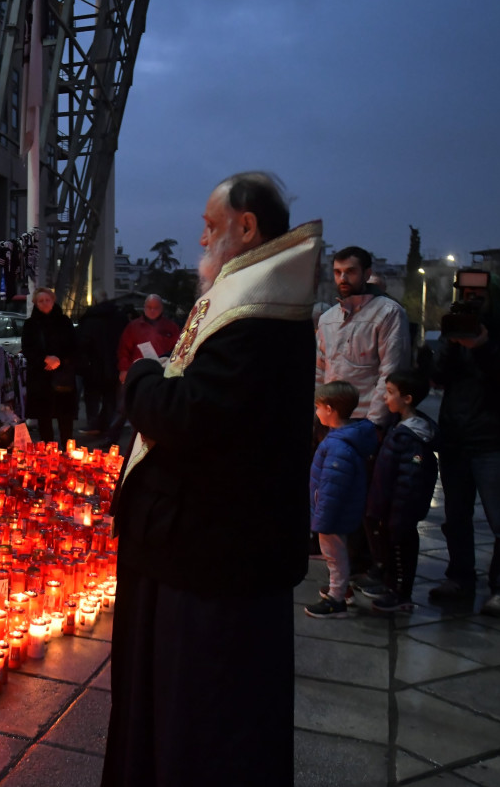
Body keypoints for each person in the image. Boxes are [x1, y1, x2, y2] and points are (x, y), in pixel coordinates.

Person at [102, 171, 319, 786]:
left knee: (201, 719)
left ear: (246, 225)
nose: (200, 236)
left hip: (210, 556)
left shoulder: (258, 316)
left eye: (210, 224)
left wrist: (142, 379)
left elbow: (187, 414)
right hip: (199, 546)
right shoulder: (251, 306)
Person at [424, 268, 500, 617]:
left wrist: (482, 347)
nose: (472, 300)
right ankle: (460, 578)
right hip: (456, 436)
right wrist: (452, 345)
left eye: (478, 294)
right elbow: (438, 376)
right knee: (455, 517)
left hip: (495, 438)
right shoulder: (454, 327)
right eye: (465, 294)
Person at [365, 370, 440, 614]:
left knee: (400, 552)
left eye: (390, 393)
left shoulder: (412, 437)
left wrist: (398, 511)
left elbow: (410, 478)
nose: (385, 399)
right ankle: (390, 587)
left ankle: (400, 593)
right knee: (390, 549)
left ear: (407, 398)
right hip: (389, 507)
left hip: (400, 510)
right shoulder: (399, 428)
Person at [305, 382, 380, 619]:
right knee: (338, 554)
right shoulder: (344, 437)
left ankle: (336, 599)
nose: (316, 413)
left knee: (334, 555)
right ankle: (342, 588)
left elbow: (332, 488)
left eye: (318, 408)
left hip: (332, 514)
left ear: (330, 409)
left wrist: (321, 519)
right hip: (336, 512)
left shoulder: (338, 446)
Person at [316, 246, 411, 429]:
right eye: (337, 272)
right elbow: (319, 371)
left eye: (350, 271)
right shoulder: (328, 319)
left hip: (366, 420)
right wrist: (318, 414)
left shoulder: (388, 313)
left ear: (367, 274)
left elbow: (391, 372)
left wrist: (373, 424)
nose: (342, 279)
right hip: (331, 421)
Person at [106, 295, 180, 444]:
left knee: (154, 409)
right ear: (144, 308)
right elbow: (124, 350)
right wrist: (124, 369)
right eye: (149, 307)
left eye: (156, 308)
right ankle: (111, 438)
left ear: (161, 309)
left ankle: (150, 441)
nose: (152, 311)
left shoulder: (171, 327)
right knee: (123, 407)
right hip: (136, 372)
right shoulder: (133, 327)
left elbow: (177, 350)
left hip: (160, 374)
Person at [20, 287, 79, 444]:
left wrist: (59, 360)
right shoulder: (31, 324)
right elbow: (27, 348)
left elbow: (74, 347)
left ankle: (67, 450)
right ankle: (47, 453)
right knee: (44, 419)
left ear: (53, 301)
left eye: (47, 300)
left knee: (65, 418)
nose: (45, 303)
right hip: (40, 378)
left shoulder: (65, 322)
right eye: (41, 301)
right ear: (36, 303)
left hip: (63, 377)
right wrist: (45, 359)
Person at [74, 295, 129, 435]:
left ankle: (93, 424)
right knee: (110, 397)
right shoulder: (119, 318)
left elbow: (81, 343)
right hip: (113, 363)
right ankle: (107, 424)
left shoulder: (90, 318)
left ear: (95, 301)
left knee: (92, 397)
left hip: (93, 365)